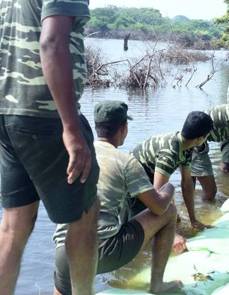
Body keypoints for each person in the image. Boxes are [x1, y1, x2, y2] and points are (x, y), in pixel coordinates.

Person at [0, 0, 110, 295]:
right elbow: (52, 42)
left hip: (7, 112)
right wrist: (71, 129)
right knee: (84, 215)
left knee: (14, 223)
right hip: (46, 117)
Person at [53, 101, 182, 295]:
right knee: (169, 211)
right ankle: (157, 285)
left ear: (96, 127)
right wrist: (169, 188)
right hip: (102, 252)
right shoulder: (125, 161)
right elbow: (158, 208)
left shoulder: (73, 155)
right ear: (124, 128)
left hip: (64, 252)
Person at [129, 111, 214, 252]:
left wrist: (193, 220)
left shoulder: (186, 146)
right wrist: (172, 235)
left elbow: (187, 184)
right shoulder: (170, 152)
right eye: (206, 137)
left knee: (176, 220)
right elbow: (157, 196)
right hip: (132, 187)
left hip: (148, 180)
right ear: (199, 138)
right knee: (142, 234)